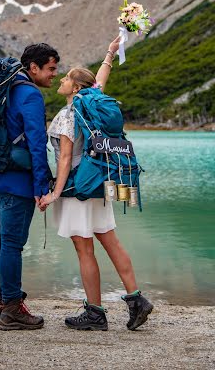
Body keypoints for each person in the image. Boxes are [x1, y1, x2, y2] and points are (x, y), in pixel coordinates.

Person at [39, 38, 154, 331]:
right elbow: (99, 81)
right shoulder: (93, 105)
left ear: (76, 88)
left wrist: (54, 193)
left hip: (78, 189)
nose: (62, 80)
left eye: (66, 78)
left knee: (84, 250)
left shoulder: (68, 115)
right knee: (112, 242)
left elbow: (65, 159)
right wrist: (109, 53)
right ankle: (137, 300)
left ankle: (95, 313)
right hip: (100, 184)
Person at [0, 43, 59, 330]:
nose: (54, 75)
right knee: (11, 244)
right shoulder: (30, 95)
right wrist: (41, 186)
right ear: (33, 68)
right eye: (50, 68)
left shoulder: (1, 89)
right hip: (16, 181)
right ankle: (11, 308)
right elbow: (37, 143)